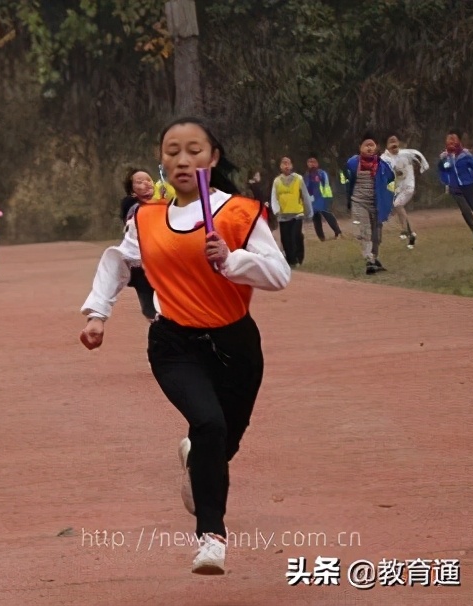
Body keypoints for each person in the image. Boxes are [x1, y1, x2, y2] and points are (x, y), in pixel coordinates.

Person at [80, 117, 291, 575]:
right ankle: (211, 538)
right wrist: (98, 314)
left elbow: (279, 275)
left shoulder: (239, 212)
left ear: (213, 158)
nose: (182, 159)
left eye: (194, 150)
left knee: (222, 442)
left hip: (236, 345)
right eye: (172, 150)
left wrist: (233, 260)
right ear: (161, 160)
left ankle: (197, 458)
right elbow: (118, 261)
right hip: (174, 342)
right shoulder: (147, 216)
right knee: (209, 423)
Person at [344, 134, 396, 274]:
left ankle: (374, 257)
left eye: (371, 145)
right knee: (365, 232)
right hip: (359, 203)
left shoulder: (383, 165)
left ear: (376, 147)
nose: (369, 148)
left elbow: (391, 180)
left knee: (376, 235)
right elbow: (346, 180)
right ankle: (369, 260)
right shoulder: (352, 164)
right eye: (366, 145)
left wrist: (388, 201)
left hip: (377, 205)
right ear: (360, 147)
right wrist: (349, 199)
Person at [118, 168, 158, 321]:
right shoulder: (132, 206)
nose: (146, 183)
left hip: (163, 264)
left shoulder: (163, 202)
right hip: (140, 266)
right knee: (150, 310)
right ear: (133, 191)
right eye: (139, 182)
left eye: (148, 179)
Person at [382, 135, 428, 249]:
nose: (393, 145)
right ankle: (409, 232)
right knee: (399, 208)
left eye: (395, 142)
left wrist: (422, 166)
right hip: (398, 189)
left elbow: (418, 157)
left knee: (397, 204)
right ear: (387, 147)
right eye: (390, 142)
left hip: (408, 186)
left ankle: (406, 231)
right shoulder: (385, 159)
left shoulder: (406, 154)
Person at [437, 129, 473, 249]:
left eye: (453, 138)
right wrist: (446, 182)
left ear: (459, 141)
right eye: (448, 138)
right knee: (465, 210)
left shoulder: (465, 155)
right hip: (455, 188)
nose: (450, 141)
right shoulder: (444, 156)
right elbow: (443, 170)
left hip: (469, 185)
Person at [270, 157, 314, 266]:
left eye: (288, 163)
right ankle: (291, 261)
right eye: (284, 163)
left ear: (292, 165)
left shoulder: (298, 179)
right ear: (280, 166)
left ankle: (299, 257)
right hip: (283, 215)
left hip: (296, 214)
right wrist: (276, 210)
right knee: (286, 239)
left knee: (295, 236)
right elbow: (274, 197)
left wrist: (309, 212)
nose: (286, 166)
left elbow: (305, 196)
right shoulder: (276, 181)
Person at [304, 156, 342, 241]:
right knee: (316, 219)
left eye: (313, 162)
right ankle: (321, 237)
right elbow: (306, 187)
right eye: (310, 162)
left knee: (328, 215)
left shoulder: (321, 173)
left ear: (317, 163)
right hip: (312, 199)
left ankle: (338, 232)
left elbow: (326, 185)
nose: (312, 164)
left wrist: (327, 198)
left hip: (323, 198)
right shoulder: (307, 175)